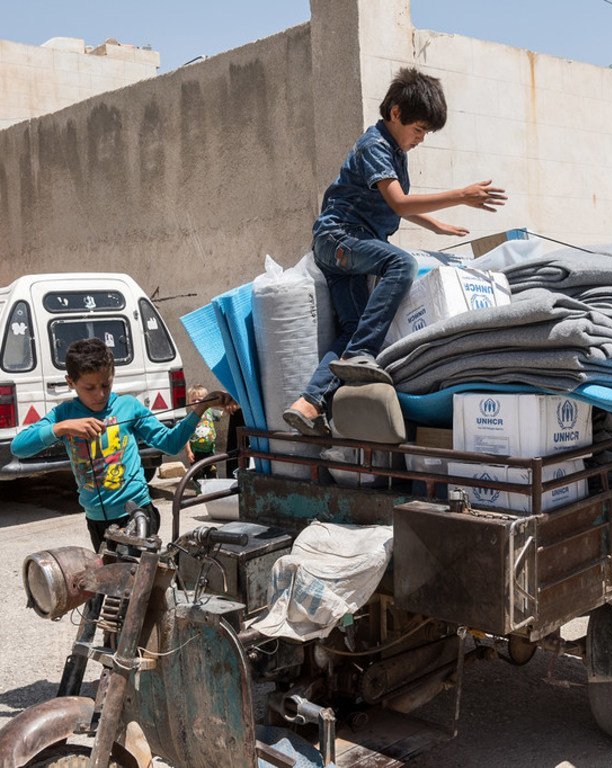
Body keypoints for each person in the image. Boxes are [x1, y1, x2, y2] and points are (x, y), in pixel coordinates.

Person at [283, 67, 507, 436]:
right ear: (396, 113)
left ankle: (307, 403)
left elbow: (393, 204)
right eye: (418, 129)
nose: (420, 139)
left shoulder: (394, 149)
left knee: (354, 329)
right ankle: (361, 355)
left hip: (349, 248)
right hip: (339, 238)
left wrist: (436, 226)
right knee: (401, 264)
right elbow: (399, 203)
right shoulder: (375, 145)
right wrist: (461, 196)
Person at [11, 338, 232, 552]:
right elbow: (18, 447)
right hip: (96, 520)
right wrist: (62, 428)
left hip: (137, 513)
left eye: (106, 384)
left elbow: (171, 444)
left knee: (135, 581)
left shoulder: (128, 406)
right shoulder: (64, 415)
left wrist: (199, 410)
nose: (100, 394)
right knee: (111, 582)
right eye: (90, 387)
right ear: (71, 382)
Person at [186, 385, 219, 480]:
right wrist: (189, 452)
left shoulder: (210, 412)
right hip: (196, 453)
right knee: (198, 475)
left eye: (200, 399)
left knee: (212, 474)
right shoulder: (189, 418)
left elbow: (222, 414)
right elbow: (186, 437)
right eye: (193, 400)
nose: (196, 402)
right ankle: (200, 493)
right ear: (189, 402)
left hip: (210, 451)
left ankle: (212, 492)